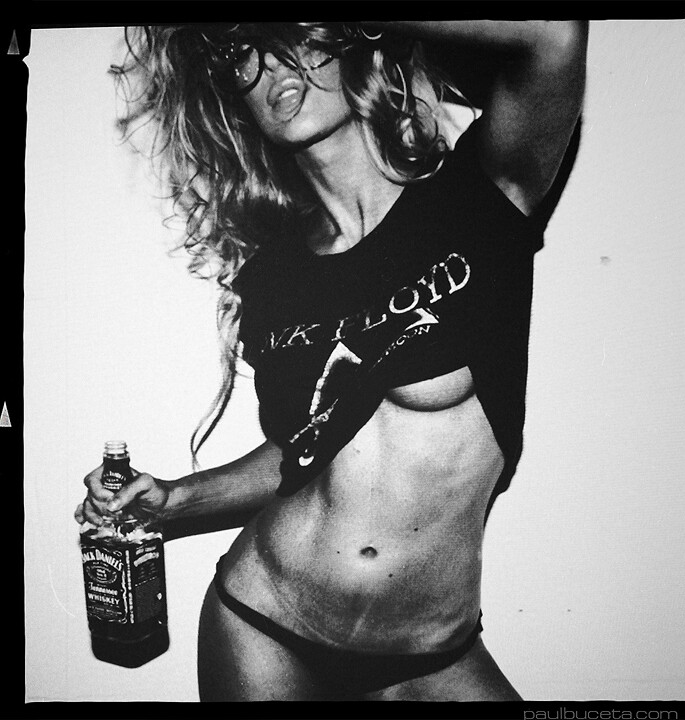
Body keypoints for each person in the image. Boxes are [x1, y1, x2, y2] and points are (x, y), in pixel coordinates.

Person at [75, 20, 588, 701]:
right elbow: (300, 453)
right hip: (265, 623)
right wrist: (176, 500)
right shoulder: (275, 280)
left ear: (348, 37)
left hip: (431, 651)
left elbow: (554, 34)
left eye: (292, 34)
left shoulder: (480, 199)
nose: (270, 64)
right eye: (241, 52)